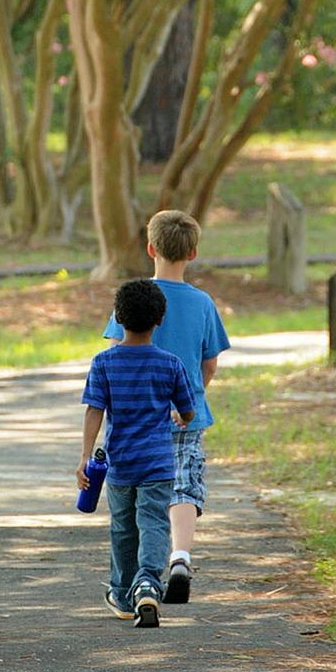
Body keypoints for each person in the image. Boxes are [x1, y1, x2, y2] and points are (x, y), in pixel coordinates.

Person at [102, 210, 230, 605]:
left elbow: (115, 350)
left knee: (140, 499)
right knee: (184, 485)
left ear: (150, 248)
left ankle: (136, 577)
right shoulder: (203, 303)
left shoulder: (135, 296)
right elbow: (210, 362)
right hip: (185, 417)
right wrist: (187, 399)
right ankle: (180, 556)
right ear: (192, 252)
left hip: (138, 418)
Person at [77, 278, 195, 628]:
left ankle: (124, 593)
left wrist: (85, 455)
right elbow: (188, 410)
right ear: (159, 320)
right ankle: (148, 583)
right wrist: (177, 415)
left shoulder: (103, 364)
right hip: (158, 464)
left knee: (124, 528)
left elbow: (94, 410)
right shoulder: (170, 364)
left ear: (118, 318)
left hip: (120, 465)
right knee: (155, 524)